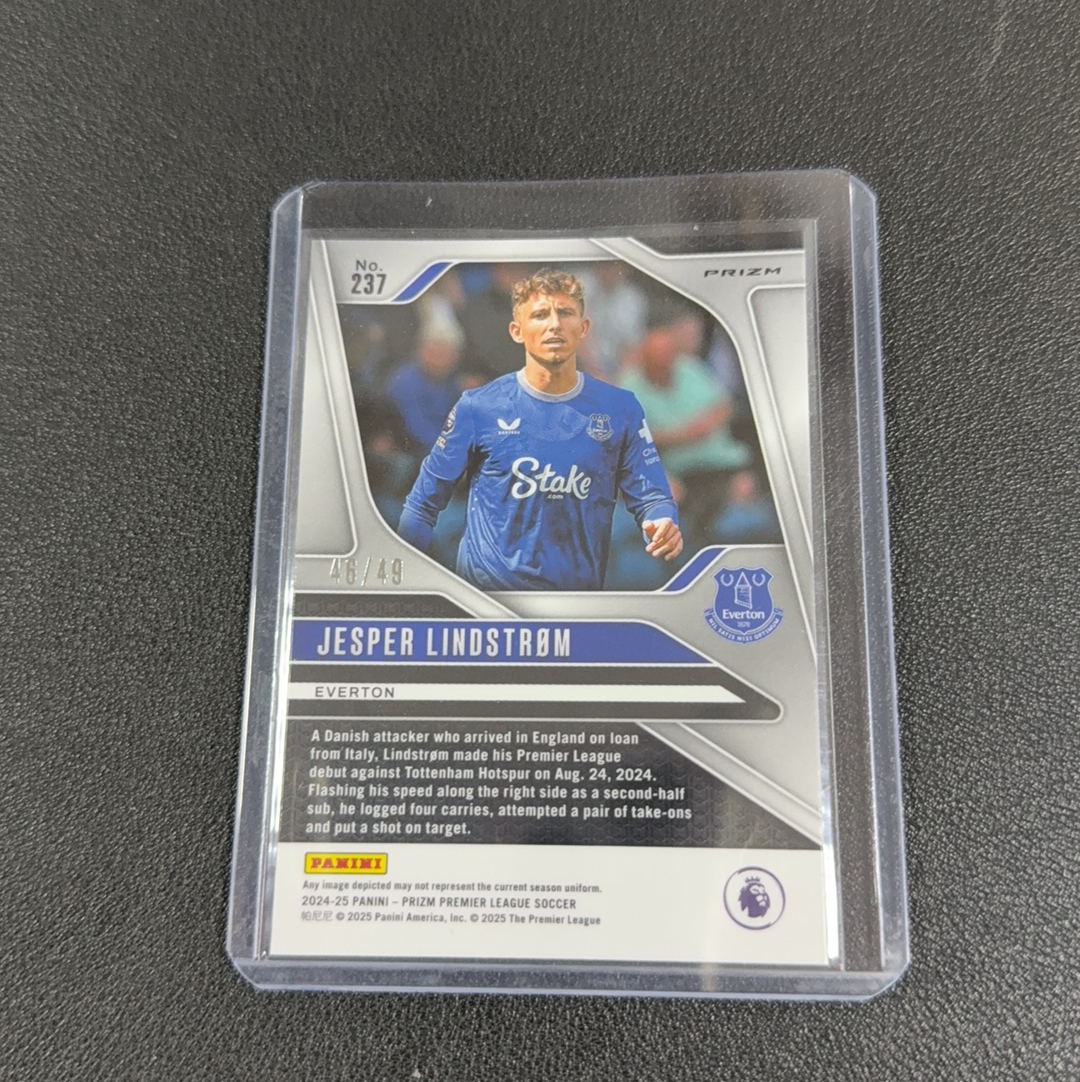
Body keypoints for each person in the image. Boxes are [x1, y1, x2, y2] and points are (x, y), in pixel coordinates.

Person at [397, 269, 682, 591]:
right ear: (517, 331)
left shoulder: (620, 409)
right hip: (490, 598)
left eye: (565, 313)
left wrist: (661, 520)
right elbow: (422, 503)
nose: (554, 325)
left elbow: (652, 495)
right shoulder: (478, 407)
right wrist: (411, 583)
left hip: (575, 597)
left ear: (584, 328)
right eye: (540, 315)